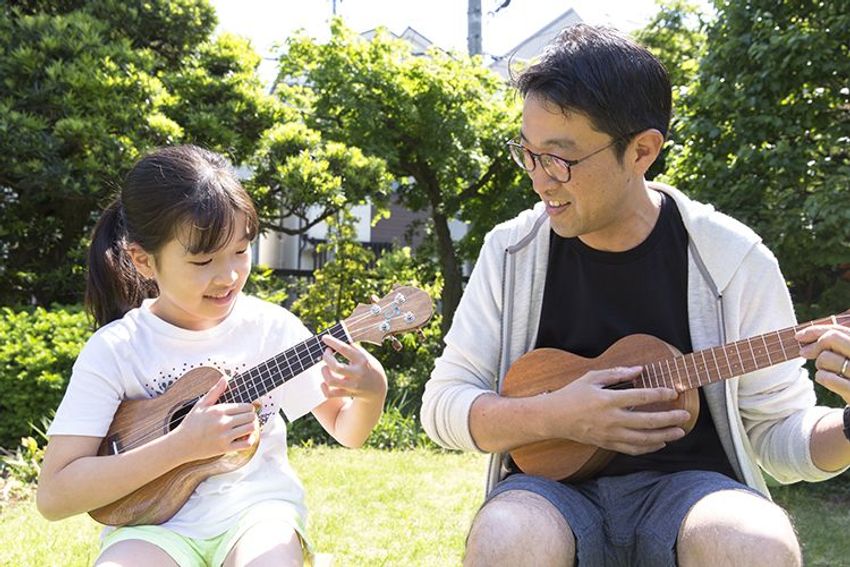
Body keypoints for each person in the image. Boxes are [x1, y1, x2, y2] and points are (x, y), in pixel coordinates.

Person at [420, 24, 850, 567]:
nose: (539, 180)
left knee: (755, 544)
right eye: (527, 153)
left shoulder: (734, 258)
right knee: (507, 536)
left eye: (559, 159)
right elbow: (442, 405)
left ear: (642, 150)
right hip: (546, 496)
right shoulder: (510, 252)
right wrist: (556, 417)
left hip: (696, 493)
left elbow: (778, 434)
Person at [36, 145, 388, 567]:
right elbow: (54, 496)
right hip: (151, 528)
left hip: (256, 513)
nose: (229, 276)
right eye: (203, 260)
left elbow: (347, 430)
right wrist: (180, 446)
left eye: (240, 250)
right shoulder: (117, 349)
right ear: (143, 260)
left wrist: (372, 393)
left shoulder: (270, 328)